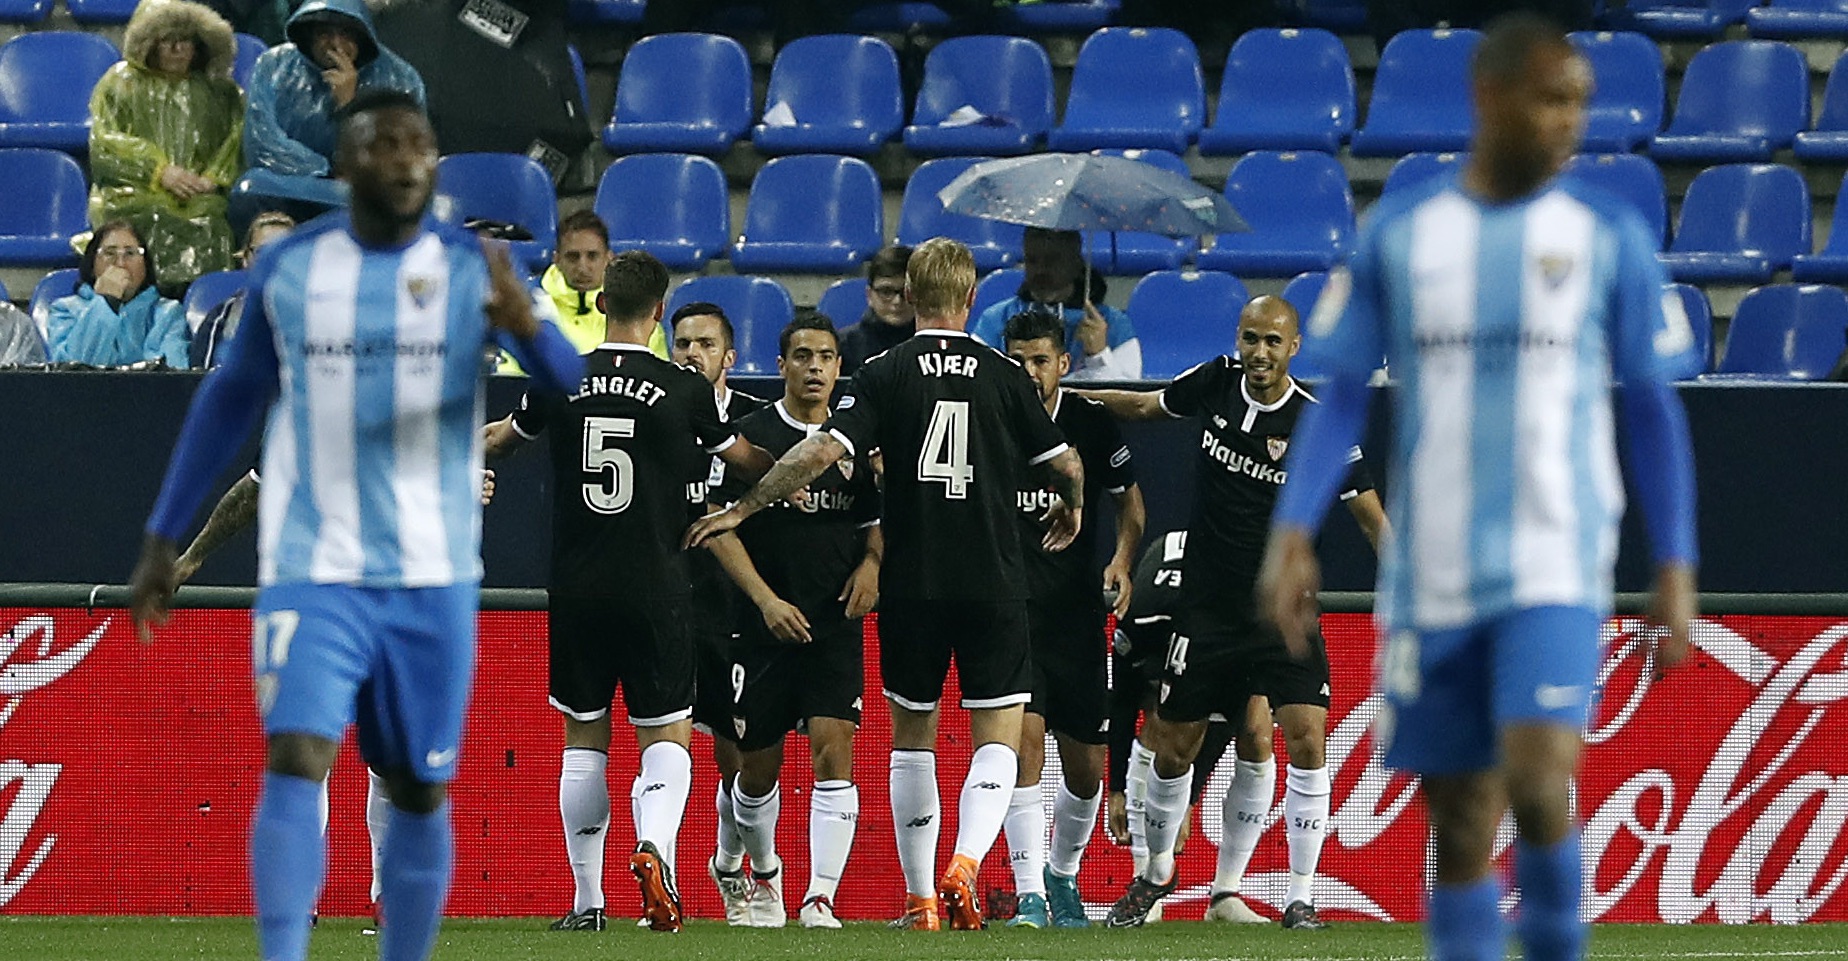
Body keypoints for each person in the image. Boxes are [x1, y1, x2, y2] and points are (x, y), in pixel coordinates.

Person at [1259, 15, 1697, 961]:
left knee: (1539, 784)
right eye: (1552, 99)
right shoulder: (1406, 237)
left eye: (1581, 102)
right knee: (1457, 822)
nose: (1572, 121)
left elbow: (1653, 408)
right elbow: (1338, 398)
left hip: (1555, 559)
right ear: (1490, 98)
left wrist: (1675, 559)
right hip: (1431, 575)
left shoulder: (1605, 236)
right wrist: (1294, 526)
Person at [129, 89, 584, 961]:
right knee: (297, 752)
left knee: (416, 786)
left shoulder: (474, 267)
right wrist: (163, 533)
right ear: (347, 164)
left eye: (422, 144)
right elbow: (231, 399)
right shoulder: (293, 267)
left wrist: (529, 330)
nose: (409, 159)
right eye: (387, 144)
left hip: (434, 570)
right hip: (314, 563)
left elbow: (568, 385)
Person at [687, 237, 1087, 932]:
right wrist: (1072, 499)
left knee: (914, 735)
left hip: (913, 580)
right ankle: (968, 860)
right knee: (997, 731)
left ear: (910, 293)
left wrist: (747, 505)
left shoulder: (883, 370)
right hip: (994, 576)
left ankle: (922, 896)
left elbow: (818, 452)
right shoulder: (1003, 374)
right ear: (970, 299)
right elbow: (1065, 463)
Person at [481, 251, 772, 935]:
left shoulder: (560, 374)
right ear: (659, 311)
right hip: (657, 582)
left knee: (584, 734)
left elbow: (505, 438)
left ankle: (586, 900)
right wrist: (786, 464)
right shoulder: (684, 387)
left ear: (603, 302)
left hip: (576, 582)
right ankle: (656, 849)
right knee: (665, 733)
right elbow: (745, 461)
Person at [1078, 294, 1388, 930]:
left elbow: (1370, 517)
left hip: (1282, 612)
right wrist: (1069, 404)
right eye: (1251, 339)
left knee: (1305, 737)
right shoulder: (1214, 382)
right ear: (1239, 340)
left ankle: (1300, 893)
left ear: (1294, 348)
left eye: (1273, 342)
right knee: (1172, 748)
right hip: (1208, 608)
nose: (1259, 353)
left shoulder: (1317, 422)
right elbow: (1142, 405)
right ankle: (1155, 873)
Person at [702, 310, 884, 929]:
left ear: (840, 366)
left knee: (836, 752)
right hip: (758, 626)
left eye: (827, 357)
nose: (815, 368)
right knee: (757, 769)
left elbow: (874, 522)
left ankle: (819, 898)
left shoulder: (857, 440)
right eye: (802, 356)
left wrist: (873, 565)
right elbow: (718, 529)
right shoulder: (751, 436)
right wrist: (764, 601)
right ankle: (757, 869)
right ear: (780, 366)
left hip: (833, 621)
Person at [996, 308, 1147, 929]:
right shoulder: (988, 419)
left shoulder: (1089, 421)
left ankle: (1062, 874)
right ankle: (1030, 892)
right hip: (1011, 611)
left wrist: (1122, 561)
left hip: (1078, 615)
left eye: (1040, 360)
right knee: (1024, 744)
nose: (1029, 373)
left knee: (1086, 770)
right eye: (1018, 361)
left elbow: (1132, 505)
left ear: (1064, 363)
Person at [664, 300, 774, 924]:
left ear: (729, 357)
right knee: (702, 739)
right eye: (681, 343)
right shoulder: (657, 419)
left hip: (742, 595)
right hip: (680, 594)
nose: (690, 354)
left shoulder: (756, 429)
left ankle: (735, 863)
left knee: (746, 742)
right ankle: (726, 870)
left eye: (705, 343)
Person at [89, 0, 245, 291]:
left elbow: (235, 140)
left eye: (184, 40)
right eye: (167, 41)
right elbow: (104, 144)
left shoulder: (220, 91)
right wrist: (158, 172)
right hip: (133, 194)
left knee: (212, 225)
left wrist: (213, 178)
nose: (177, 50)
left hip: (201, 198)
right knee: (149, 220)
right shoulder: (120, 83)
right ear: (148, 44)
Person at [236, 0, 425, 224]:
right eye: (325, 33)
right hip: (286, 189)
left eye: (346, 33)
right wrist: (323, 171)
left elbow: (396, 159)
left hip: (358, 197)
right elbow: (261, 141)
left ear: (363, 35)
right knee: (252, 186)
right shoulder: (273, 65)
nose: (335, 44)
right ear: (309, 33)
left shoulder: (400, 80)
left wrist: (350, 107)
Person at [499, 210, 668, 375]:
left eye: (592, 256)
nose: (582, 267)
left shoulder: (637, 309)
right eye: (573, 257)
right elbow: (511, 375)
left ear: (609, 257)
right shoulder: (530, 307)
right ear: (556, 259)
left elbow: (658, 374)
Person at [970, 227, 1141, 381]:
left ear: (1076, 263)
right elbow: (972, 383)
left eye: (1052, 261)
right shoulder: (995, 320)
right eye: (1032, 260)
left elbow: (1131, 400)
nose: (1040, 270)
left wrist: (1099, 355)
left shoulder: (1115, 325)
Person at [47, 221, 190, 368]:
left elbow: (172, 373)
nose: (121, 263)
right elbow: (73, 373)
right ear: (92, 265)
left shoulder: (168, 313)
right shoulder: (64, 310)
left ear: (145, 265)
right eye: (109, 253)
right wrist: (107, 302)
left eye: (130, 253)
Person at [191, 210, 296, 369]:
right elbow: (199, 379)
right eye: (263, 252)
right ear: (245, 259)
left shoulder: (316, 315)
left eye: (283, 250)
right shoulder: (221, 318)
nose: (273, 260)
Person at [837, 244, 914, 375]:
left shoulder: (937, 347)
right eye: (886, 291)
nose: (897, 301)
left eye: (906, 292)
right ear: (869, 295)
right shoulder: (843, 347)